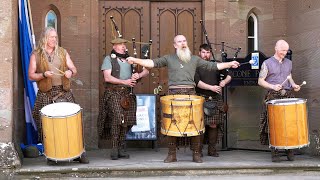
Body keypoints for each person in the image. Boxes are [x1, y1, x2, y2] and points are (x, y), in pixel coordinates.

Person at [127, 35, 239, 163]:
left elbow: (213, 66)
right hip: (173, 94)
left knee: (195, 124)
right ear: (175, 45)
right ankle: (171, 155)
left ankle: (196, 154)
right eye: (180, 41)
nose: (183, 43)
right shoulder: (169, 58)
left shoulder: (195, 59)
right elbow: (152, 63)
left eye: (184, 41)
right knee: (171, 124)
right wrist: (136, 60)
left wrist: (230, 63)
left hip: (191, 94)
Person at [28, 27, 89, 164]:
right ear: (45, 38)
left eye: (55, 37)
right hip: (45, 93)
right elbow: (31, 75)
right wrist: (43, 75)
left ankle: (79, 153)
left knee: (74, 121)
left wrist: (70, 72)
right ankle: (51, 155)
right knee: (45, 125)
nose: (54, 39)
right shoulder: (36, 55)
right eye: (51, 37)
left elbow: (73, 69)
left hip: (63, 92)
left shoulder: (62, 52)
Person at [97, 37, 149, 160]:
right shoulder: (109, 59)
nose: (123, 46)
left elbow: (146, 71)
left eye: (124, 44)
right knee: (117, 119)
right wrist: (124, 82)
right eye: (120, 44)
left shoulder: (130, 60)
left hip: (127, 94)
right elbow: (107, 78)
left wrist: (138, 74)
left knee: (126, 122)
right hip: (113, 93)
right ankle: (114, 148)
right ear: (114, 47)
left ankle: (121, 148)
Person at [258, 39, 301, 162]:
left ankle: (290, 151)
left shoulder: (289, 62)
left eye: (286, 50)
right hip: (273, 96)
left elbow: (289, 77)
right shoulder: (267, 63)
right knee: (274, 124)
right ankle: (275, 152)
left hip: (287, 95)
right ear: (276, 49)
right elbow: (260, 81)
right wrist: (272, 86)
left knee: (289, 124)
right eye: (283, 50)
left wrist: (294, 85)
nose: (285, 53)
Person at [194, 44, 232, 157]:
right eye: (203, 52)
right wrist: (211, 87)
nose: (206, 55)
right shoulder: (195, 65)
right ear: (199, 53)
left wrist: (224, 82)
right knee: (200, 125)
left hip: (215, 98)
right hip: (200, 98)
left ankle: (212, 150)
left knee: (213, 125)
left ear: (210, 53)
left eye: (208, 52)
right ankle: (198, 151)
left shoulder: (217, 64)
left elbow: (230, 74)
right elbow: (197, 82)